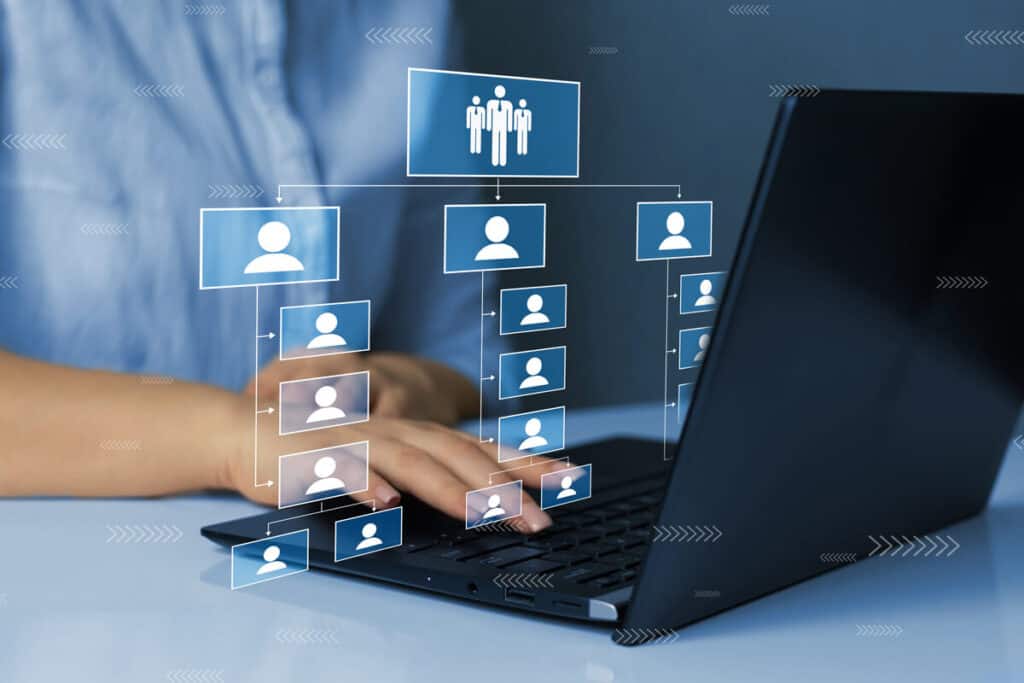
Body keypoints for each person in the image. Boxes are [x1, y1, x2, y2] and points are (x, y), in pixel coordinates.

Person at [0, 2, 558, 535]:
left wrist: (405, 384)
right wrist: (236, 438)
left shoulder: (408, 16)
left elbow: (462, 349)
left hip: (332, 561)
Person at [485, 84, 513, 167]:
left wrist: (510, 127)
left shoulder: (508, 104)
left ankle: (503, 161)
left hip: (504, 126)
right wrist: (488, 126)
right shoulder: (491, 103)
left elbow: (510, 116)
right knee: (495, 142)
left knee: (503, 142)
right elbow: (489, 115)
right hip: (495, 125)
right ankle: (495, 161)